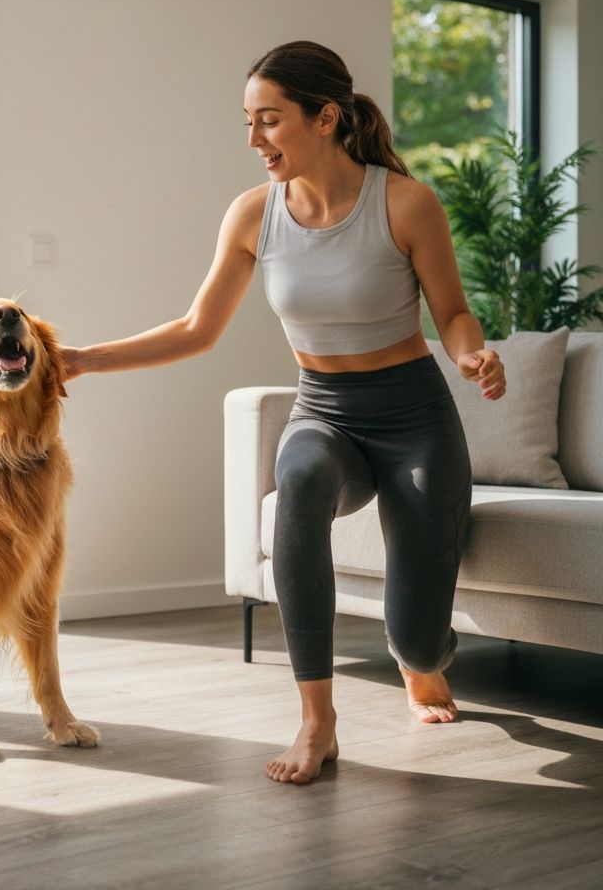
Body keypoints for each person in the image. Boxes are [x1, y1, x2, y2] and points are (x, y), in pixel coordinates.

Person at [62, 40, 506, 785]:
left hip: (413, 418)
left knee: (422, 639)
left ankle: (420, 663)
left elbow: (453, 313)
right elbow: (196, 329)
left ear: (325, 117)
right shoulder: (252, 216)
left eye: (270, 120)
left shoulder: (404, 202)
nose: (254, 140)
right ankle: (316, 720)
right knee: (296, 482)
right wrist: (85, 359)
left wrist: (471, 354)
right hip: (323, 411)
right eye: (247, 121)